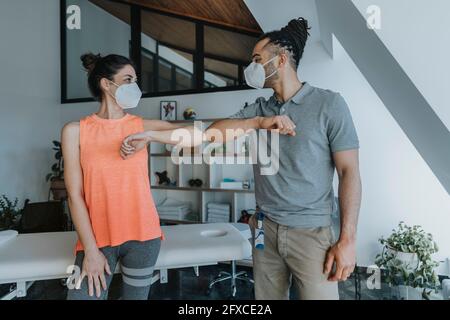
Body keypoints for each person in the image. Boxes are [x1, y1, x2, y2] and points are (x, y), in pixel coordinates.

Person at [206, 18, 362, 300]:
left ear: (279, 60)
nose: (251, 67)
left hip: (311, 233)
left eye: (257, 59)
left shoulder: (330, 104)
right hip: (264, 229)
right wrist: (257, 122)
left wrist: (348, 239)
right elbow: (213, 134)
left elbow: (349, 172)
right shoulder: (259, 108)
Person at [62, 53, 200, 300]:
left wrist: (151, 137)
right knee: (78, 296)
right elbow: (74, 195)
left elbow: (195, 135)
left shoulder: (140, 125)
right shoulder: (75, 131)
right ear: (106, 84)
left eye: (135, 81)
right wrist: (91, 251)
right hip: (95, 240)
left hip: (144, 238)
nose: (134, 87)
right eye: (128, 80)